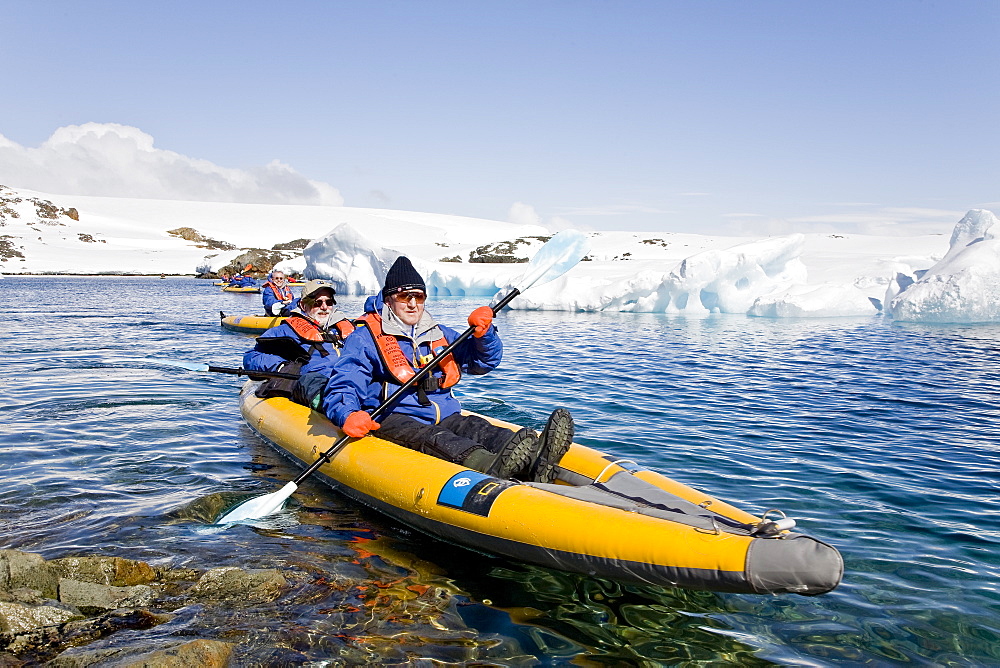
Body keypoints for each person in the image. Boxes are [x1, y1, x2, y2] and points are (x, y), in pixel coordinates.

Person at [320, 256, 573, 482]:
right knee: (433, 438)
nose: (412, 304)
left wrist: (484, 336)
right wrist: (348, 413)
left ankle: (534, 458)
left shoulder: (440, 334)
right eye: (403, 296)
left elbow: (482, 363)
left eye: (418, 297)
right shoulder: (365, 338)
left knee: (475, 427)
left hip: (446, 414)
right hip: (393, 418)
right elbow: (345, 383)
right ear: (388, 300)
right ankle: (486, 465)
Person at [243, 280, 355, 405]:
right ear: (303, 305)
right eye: (317, 303)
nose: (324, 307)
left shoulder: (344, 329)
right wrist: (281, 366)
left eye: (328, 302)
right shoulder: (286, 331)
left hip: (351, 381)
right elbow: (251, 357)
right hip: (316, 385)